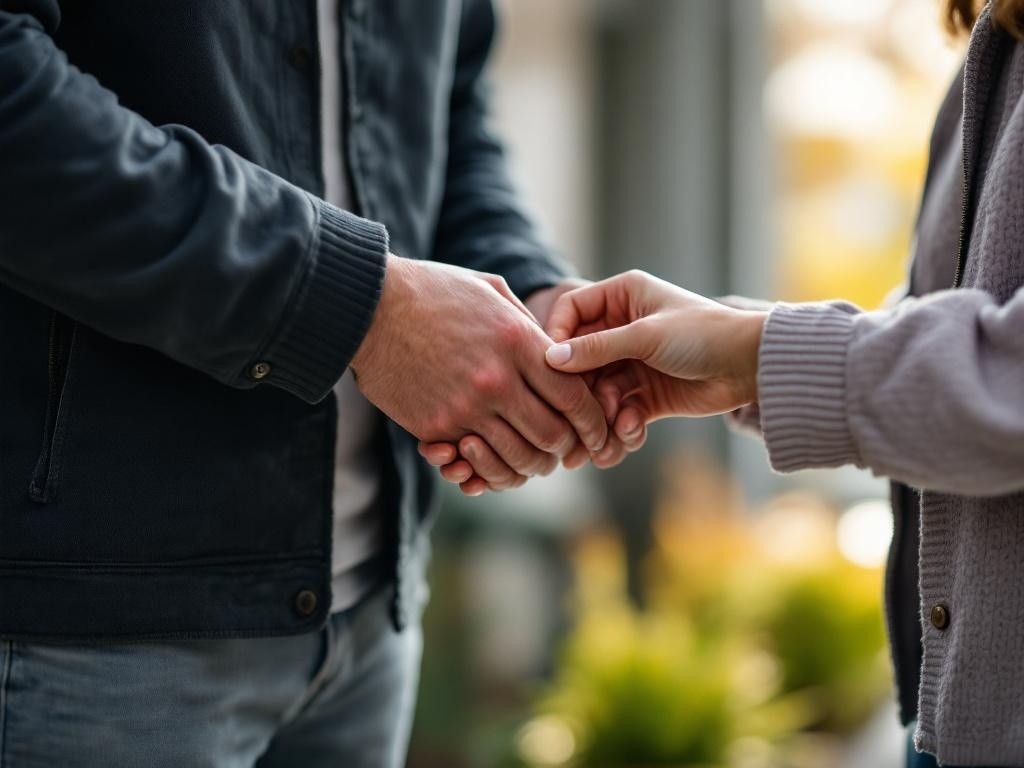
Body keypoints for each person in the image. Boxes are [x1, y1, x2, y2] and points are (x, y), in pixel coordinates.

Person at [0, 1, 636, 765]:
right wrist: (368, 311)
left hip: (370, 619)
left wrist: (528, 293)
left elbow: (453, 104)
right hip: (95, 630)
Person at [422, 1, 1024, 766]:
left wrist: (754, 351)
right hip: (950, 716)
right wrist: (744, 351)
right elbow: (955, 320)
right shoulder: (995, 44)